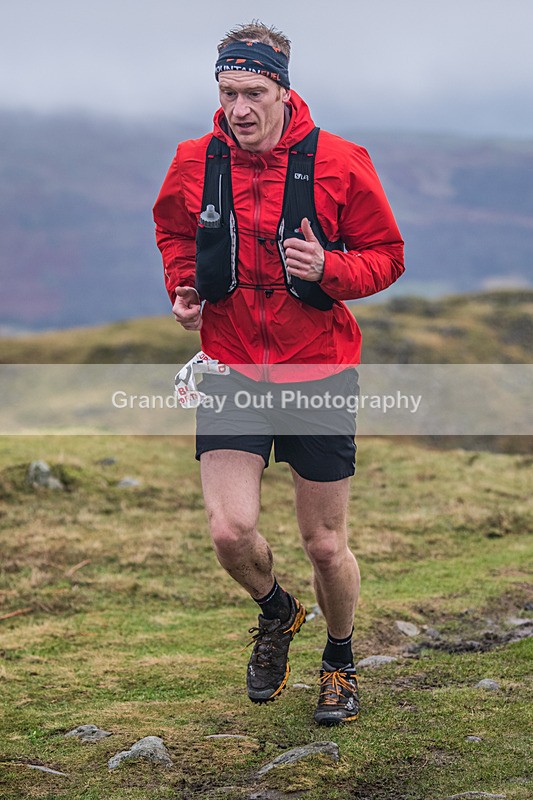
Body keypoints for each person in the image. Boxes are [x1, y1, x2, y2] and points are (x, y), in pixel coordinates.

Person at [153, 21, 404, 725]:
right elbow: (174, 230)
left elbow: (386, 255)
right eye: (227, 92)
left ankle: (339, 659)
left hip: (318, 374)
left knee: (324, 544)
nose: (239, 109)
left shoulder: (340, 161)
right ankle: (278, 612)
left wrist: (329, 268)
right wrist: (183, 285)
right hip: (231, 369)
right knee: (229, 533)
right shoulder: (194, 160)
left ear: (283, 91)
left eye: (253, 93)